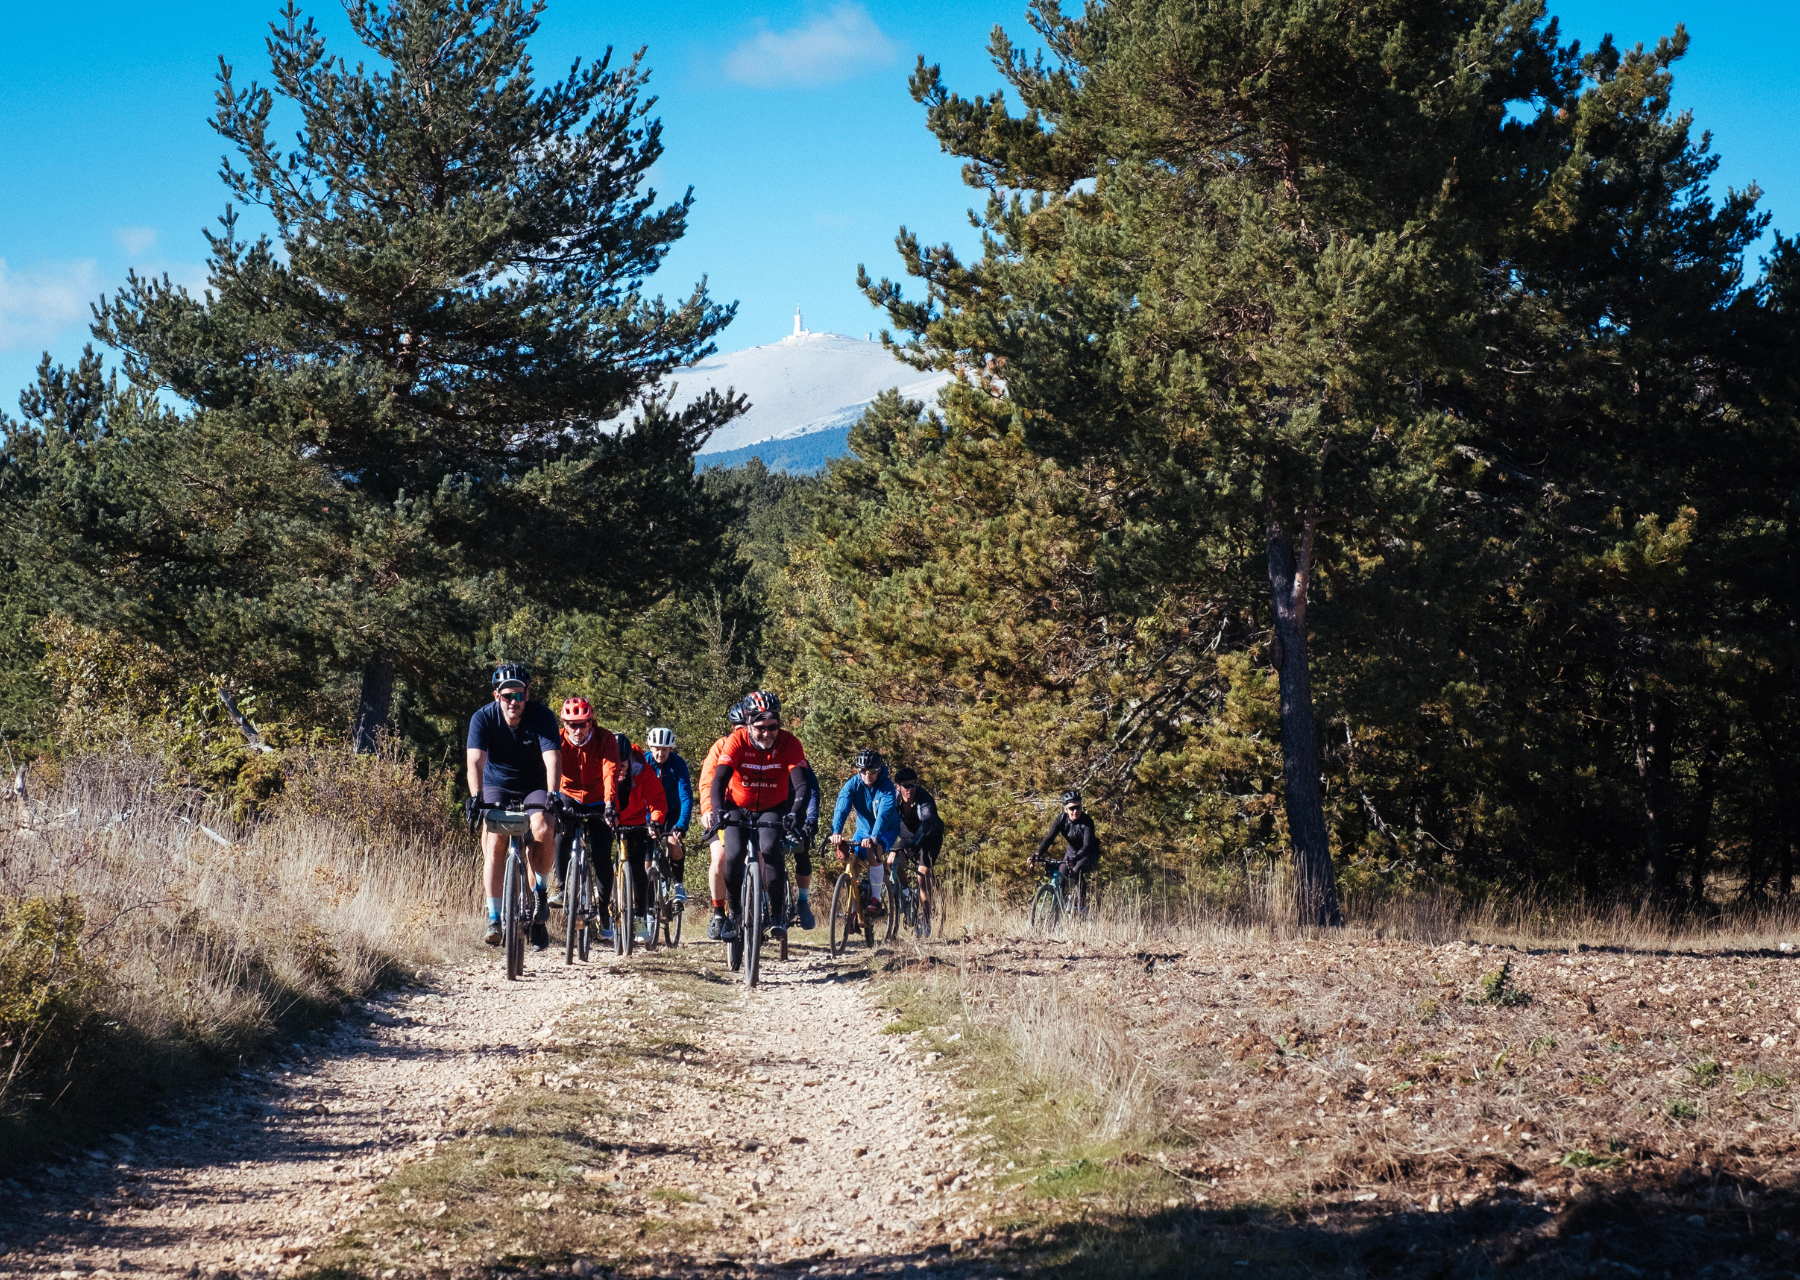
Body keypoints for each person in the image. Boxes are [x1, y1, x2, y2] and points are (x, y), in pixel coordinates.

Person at [464, 663, 563, 948]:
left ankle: (541, 890)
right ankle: (494, 918)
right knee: (495, 838)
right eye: (507, 696)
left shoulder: (542, 716)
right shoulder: (482, 718)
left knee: (543, 828)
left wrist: (553, 793)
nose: (513, 702)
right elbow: (475, 761)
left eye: (519, 695)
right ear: (497, 696)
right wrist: (475, 796)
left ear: (527, 694)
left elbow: (552, 757)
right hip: (498, 785)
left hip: (534, 785)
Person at [704, 690, 811, 942]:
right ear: (749, 723)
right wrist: (717, 811)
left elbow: (802, 784)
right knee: (734, 853)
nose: (767, 733)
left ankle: (776, 917)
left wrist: (795, 813)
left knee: (771, 849)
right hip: (737, 805)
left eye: (772, 726)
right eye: (760, 727)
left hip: (772, 806)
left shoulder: (789, 743)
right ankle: (734, 915)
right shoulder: (737, 740)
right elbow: (718, 781)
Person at [552, 696, 625, 943]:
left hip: (597, 796)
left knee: (602, 856)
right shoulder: (558, 739)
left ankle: (603, 913)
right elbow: (549, 767)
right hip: (569, 793)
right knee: (561, 832)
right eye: (572, 724)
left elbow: (610, 771)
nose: (578, 730)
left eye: (583, 724)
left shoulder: (605, 739)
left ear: (591, 723)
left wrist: (609, 804)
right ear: (564, 723)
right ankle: (562, 888)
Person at [613, 733, 670, 945]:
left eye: (624, 764)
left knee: (638, 870)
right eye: (615, 765)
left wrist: (655, 820)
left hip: (636, 821)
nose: (620, 769)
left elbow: (657, 799)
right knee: (602, 860)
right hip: (609, 819)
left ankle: (640, 919)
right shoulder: (601, 769)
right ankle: (605, 910)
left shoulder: (642, 769)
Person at [828, 748, 899, 918]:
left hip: (885, 830)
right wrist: (836, 832)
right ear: (858, 770)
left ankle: (875, 898)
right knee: (851, 865)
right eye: (863, 771)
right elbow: (841, 808)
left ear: (879, 769)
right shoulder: (852, 784)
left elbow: (883, 815)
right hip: (863, 830)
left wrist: (874, 837)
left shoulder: (887, 787)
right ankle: (853, 910)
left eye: (872, 771)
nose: (867, 775)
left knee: (872, 852)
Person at [699, 700, 747, 940]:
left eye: (744, 726)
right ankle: (719, 912)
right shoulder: (720, 747)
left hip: (750, 812)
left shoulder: (759, 746)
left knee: (760, 856)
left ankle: (761, 906)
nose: (740, 732)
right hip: (722, 811)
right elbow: (708, 780)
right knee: (720, 858)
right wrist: (708, 809)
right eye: (736, 727)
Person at [890, 766, 944, 937]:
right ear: (898, 786)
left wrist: (914, 845)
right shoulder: (893, 798)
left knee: (922, 874)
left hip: (931, 836)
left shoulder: (924, 798)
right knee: (892, 861)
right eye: (905, 786)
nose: (910, 789)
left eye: (912, 785)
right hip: (909, 835)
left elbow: (927, 823)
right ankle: (906, 893)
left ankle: (926, 921)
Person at [644, 726, 692, 905]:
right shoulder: (644, 762)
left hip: (672, 814)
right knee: (646, 865)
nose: (660, 753)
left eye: (664, 749)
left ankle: (679, 884)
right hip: (649, 815)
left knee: (673, 843)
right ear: (650, 748)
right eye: (657, 748)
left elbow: (686, 797)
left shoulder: (678, 764)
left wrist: (681, 824)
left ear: (670, 749)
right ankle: (648, 909)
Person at [1035, 789, 1100, 912]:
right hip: (1072, 852)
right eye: (1071, 808)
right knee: (1061, 874)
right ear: (1065, 809)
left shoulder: (1087, 822)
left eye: (1078, 807)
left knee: (1076, 870)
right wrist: (1038, 853)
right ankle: (1057, 910)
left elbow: (1086, 845)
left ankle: (1080, 906)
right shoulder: (1061, 820)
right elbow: (1049, 839)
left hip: (1089, 852)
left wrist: (1077, 857)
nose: (1075, 811)